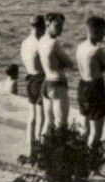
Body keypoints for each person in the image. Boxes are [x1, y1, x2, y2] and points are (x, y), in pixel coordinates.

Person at [74, 15, 105, 154]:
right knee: (96, 132)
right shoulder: (97, 50)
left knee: (85, 129)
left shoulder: (80, 47)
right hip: (95, 89)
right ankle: (91, 165)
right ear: (94, 32)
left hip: (82, 86)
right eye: (102, 32)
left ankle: (80, 160)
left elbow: (93, 65)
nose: (104, 35)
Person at [37, 11, 74, 134]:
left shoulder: (41, 40)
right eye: (57, 25)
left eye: (62, 26)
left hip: (47, 83)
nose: (60, 29)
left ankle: (40, 150)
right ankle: (59, 151)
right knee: (61, 124)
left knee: (48, 122)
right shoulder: (54, 43)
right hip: (57, 84)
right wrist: (62, 63)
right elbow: (70, 63)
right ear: (47, 24)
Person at [19, 15, 47, 149]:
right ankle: (39, 147)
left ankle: (31, 148)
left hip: (29, 77)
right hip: (40, 79)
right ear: (42, 27)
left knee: (32, 116)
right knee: (41, 116)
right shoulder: (40, 43)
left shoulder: (25, 42)